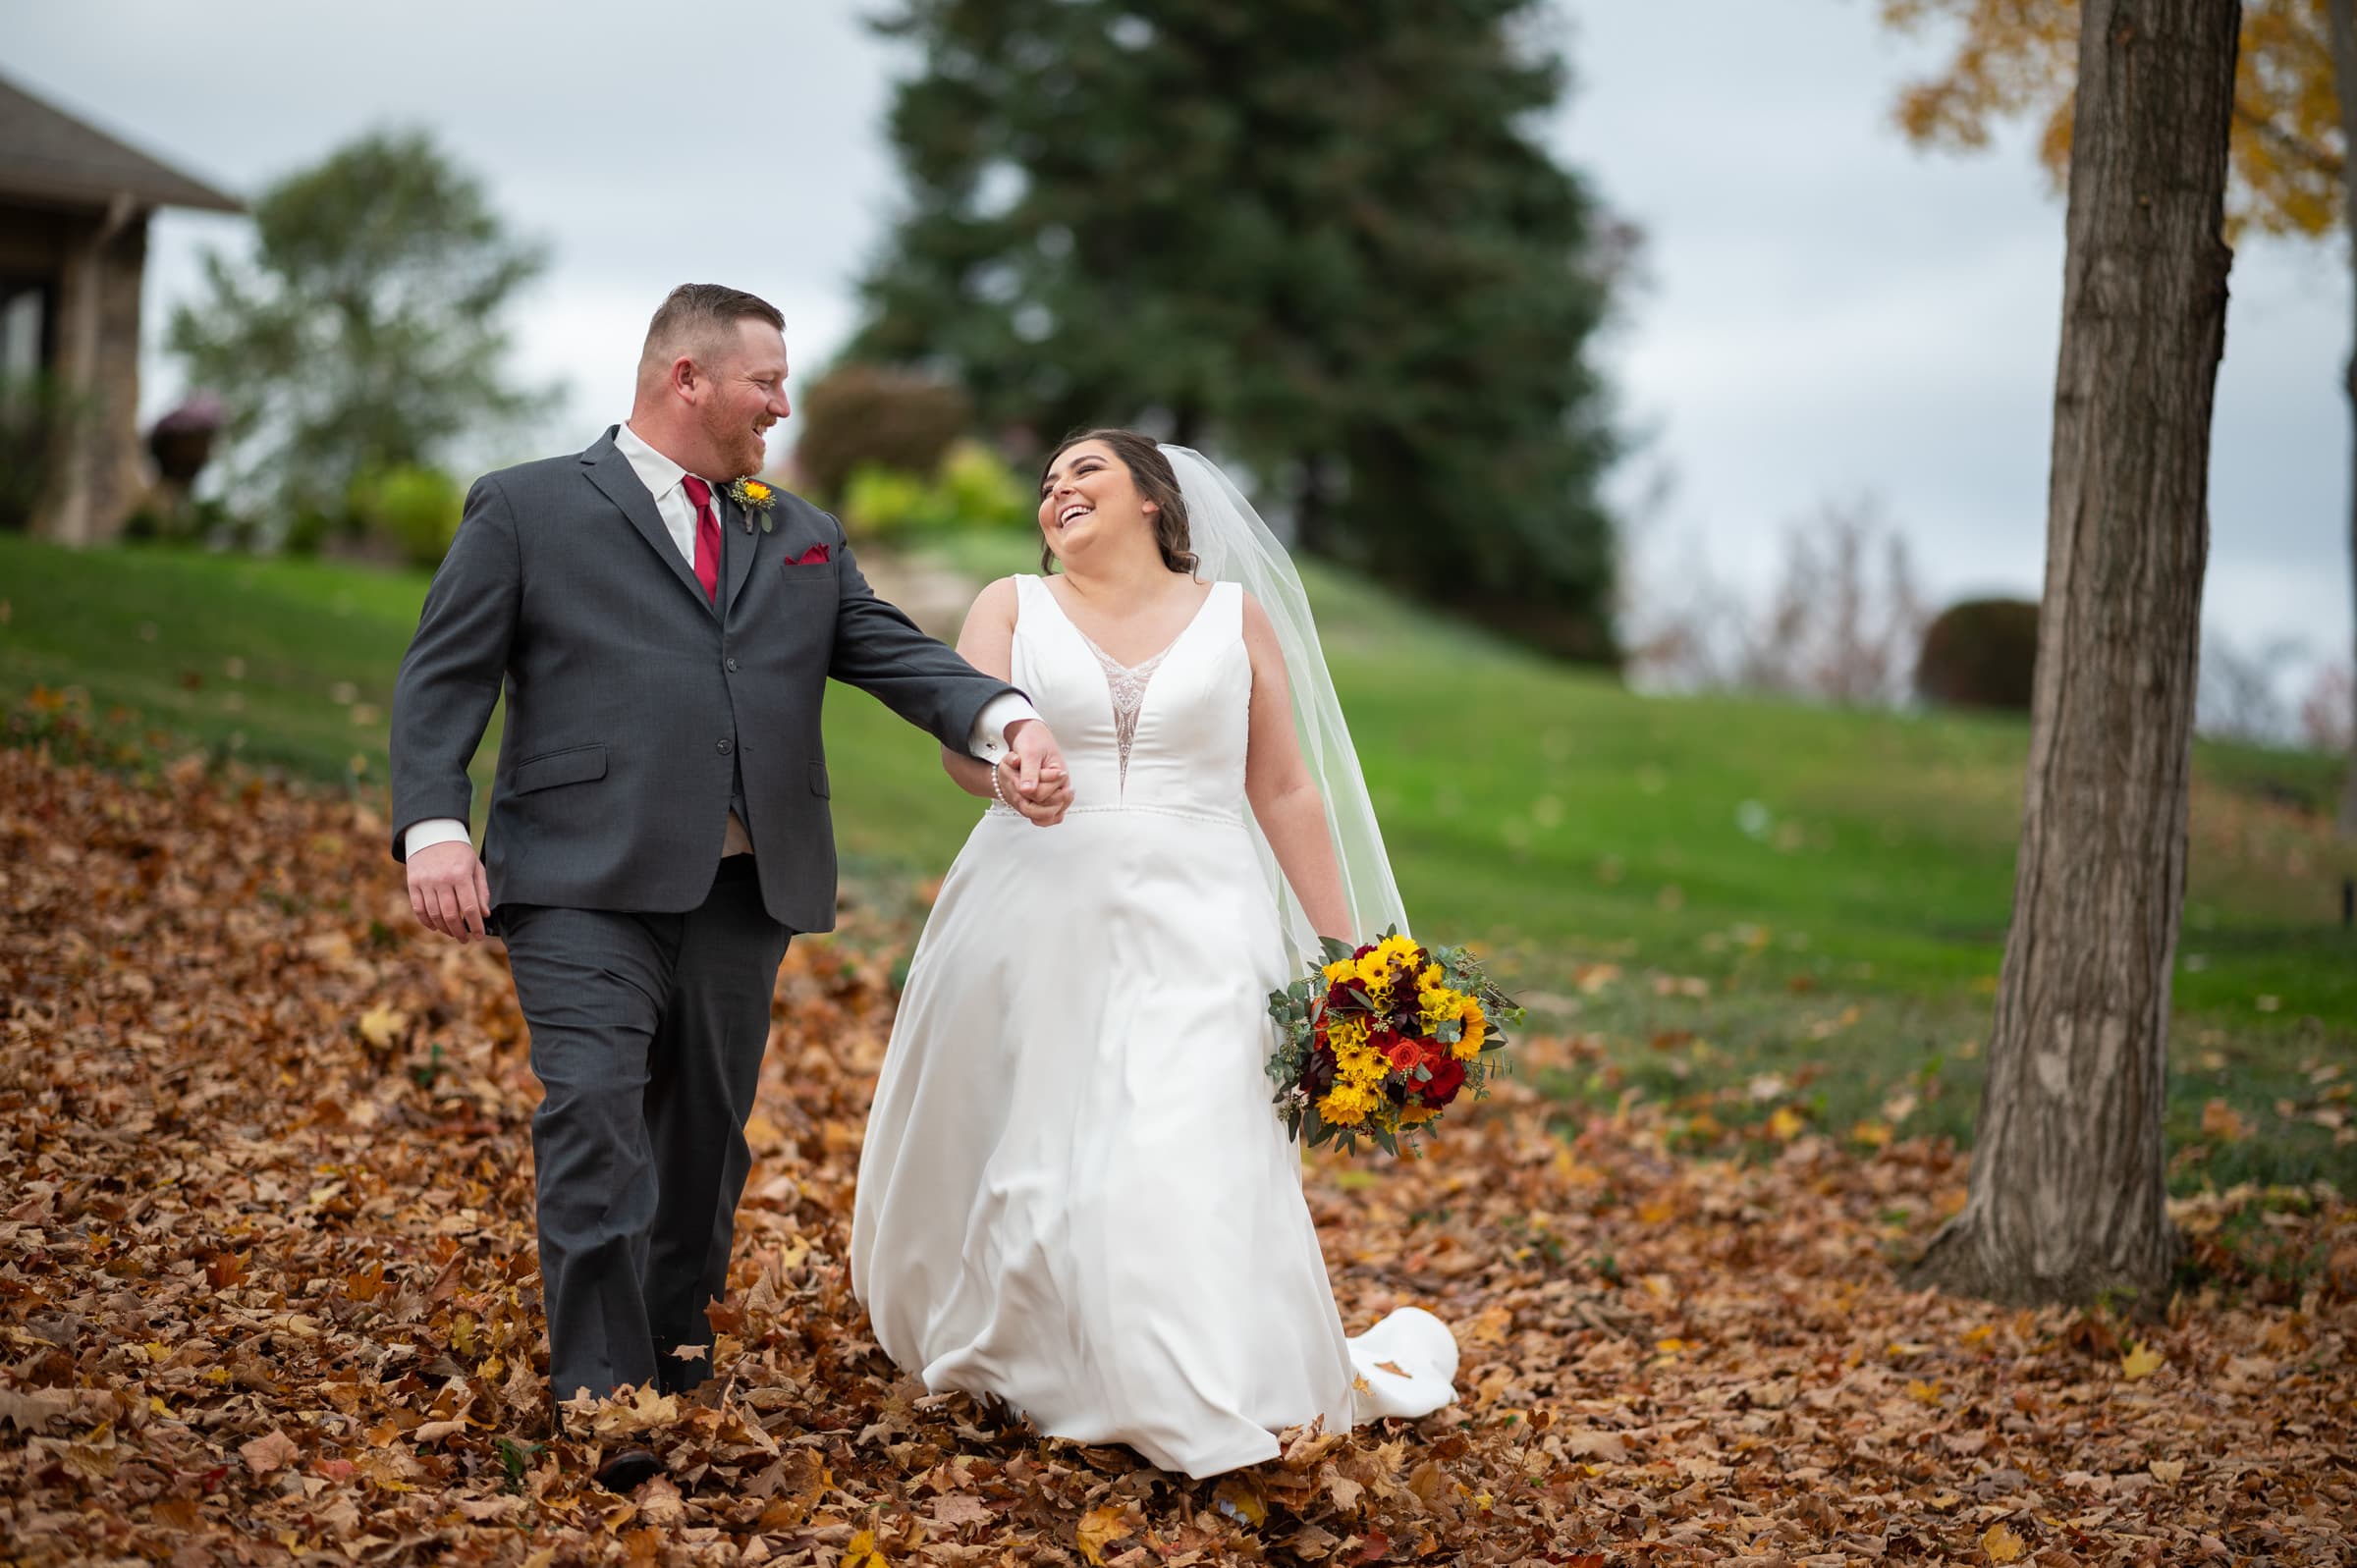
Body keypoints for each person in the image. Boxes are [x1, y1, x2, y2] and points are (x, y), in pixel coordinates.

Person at [388, 284, 1072, 1490]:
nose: (783, 405)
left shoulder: (798, 531)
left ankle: (673, 1351)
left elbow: (891, 650)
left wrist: (1005, 717)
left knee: (702, 1139)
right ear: (687, 378)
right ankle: (605, 1397)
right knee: (594, 1114)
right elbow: (445, 675)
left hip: (743, 890)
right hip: (578, 876)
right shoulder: (527, 506)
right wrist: (436, 828)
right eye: (767, 381)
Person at [850, 429, 1456, 1479]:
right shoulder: (1010, 605)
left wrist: (1354, 961)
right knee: (1040, 1157)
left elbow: (1285, 788)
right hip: (1032, 910)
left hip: (1205, 917)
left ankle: (1180, 1381)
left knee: (1181, 1139)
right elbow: (962, 744)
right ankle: (1058, 1359)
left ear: (1152, 499)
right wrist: (1005, 774)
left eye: (1084, 470)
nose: (1058, 490)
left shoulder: (1236, 617)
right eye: (1047, 484)